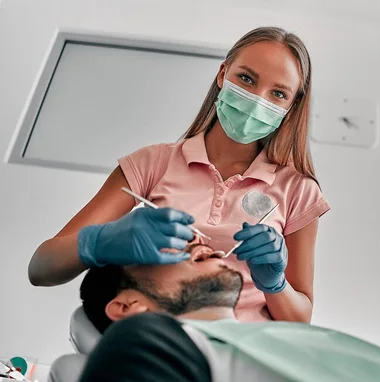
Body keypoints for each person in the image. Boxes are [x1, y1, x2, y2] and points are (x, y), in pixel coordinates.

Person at [28, 26, 330, 323]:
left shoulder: (298, 191)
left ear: (291, 107)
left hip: (245, 354)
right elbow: (41, 269)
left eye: (278, 93)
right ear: (223, 74)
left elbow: (299, 320)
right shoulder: (151, 163)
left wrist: (275, 284)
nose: (257, 100)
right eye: (246, 78)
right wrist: (103, 241)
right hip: (160, 341)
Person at [77, 243, 380, 382]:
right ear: (128, 306)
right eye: (169, 249)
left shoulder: (273, 340)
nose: (199, 243)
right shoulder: (143, 340)